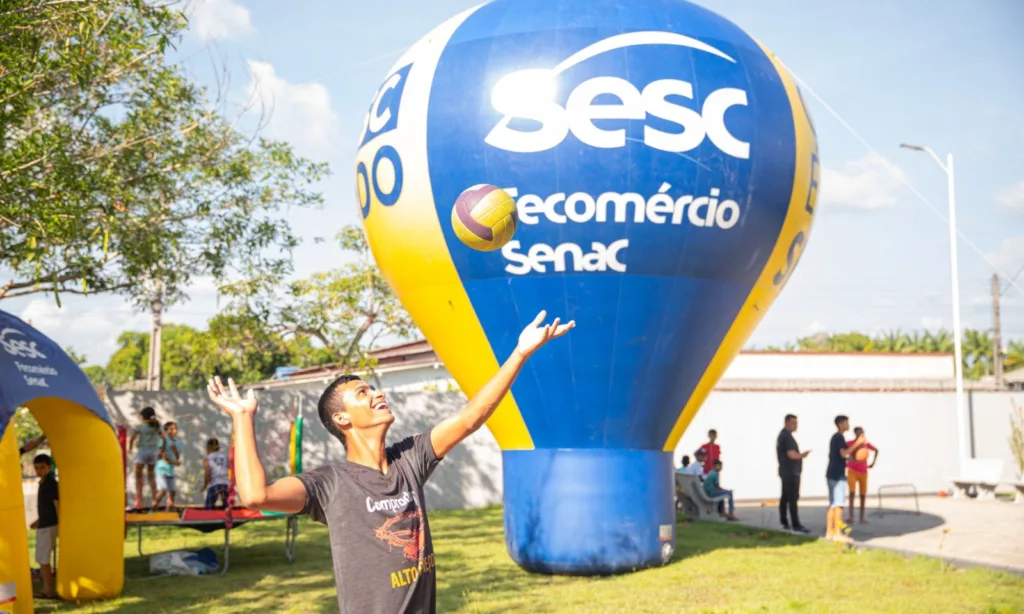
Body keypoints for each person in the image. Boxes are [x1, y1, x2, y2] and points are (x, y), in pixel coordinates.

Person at [206, 310, 573, 614]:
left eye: (373, 388)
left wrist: (520, 353)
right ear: (343, 420)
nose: (377, 393)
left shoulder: (409, 459)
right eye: (363, 393)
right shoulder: (330, 484)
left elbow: (468, 419)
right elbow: (255, 496)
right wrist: (243, 418)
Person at [825, 415, 861, 542]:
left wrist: (852, 457)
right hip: (837, 475)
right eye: (846, 423)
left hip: (831, 473)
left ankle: (829, 532)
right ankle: (838, 533)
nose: (848, 425)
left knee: (832, 504)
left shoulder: (836, 438)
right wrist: (857, 444)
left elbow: (843, 455)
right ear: (841, 424)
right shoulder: (839, 437)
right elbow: (843, 453)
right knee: (839, 504)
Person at [776, 414, 811, 533]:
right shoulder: (787, 437)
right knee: (792, 498)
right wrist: (802, 456)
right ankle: (796, 524)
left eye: (796, 423)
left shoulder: (783, 435)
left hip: (786, 471)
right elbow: (791, 454)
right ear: (786, 423)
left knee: (785, 497)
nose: (795, 425)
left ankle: (784, 521)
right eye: (793, 423)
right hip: (791, 472)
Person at [31, 454, 58, 600]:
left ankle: (48, 590)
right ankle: (47, 589)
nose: (39, 471)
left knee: (43, 558)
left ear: (49, 467)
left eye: (42, 467)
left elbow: (56, 504)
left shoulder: (51, 483)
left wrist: (61, 522)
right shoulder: (43, 483)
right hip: (44, 524)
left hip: (49, 526)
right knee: (42, 558)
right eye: (36, 468)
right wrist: (38, 521)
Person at [129, 407, 163, 508]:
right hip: (153, 452)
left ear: (143, 416)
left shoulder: (140, 426)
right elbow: (163, 438)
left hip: (142, 452)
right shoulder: (157, 426)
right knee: (151, 477)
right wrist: (162, 450)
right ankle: (154, 500)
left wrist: (130, 448)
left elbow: (132, 438)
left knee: (139, 477)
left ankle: (139, 502)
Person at [846, 427, 879, 525]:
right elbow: (845, 452)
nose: (861, 435)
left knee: (862, 495)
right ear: (855, 433)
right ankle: (851, 517)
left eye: (862, 433)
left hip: (863, 471)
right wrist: (850, 457)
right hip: (852, 470)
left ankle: (862, 517)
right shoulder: (850, 443)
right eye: (859, 433)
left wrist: (873, 463)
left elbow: (876, 450)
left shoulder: (866, 444)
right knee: (852, 494)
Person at [153, 421, 182, 511]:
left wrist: (176, 451)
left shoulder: (178, 442)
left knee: (172, 491)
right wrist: (175, 462)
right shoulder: (163, 440)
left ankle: (168, 511)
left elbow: (177, 456)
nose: (175, 431)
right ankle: (153, 508)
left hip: (170, 470)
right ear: (166, 430)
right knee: (162, 490)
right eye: (172, 429)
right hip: (162, 469)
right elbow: (163, 455)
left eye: (175, 429)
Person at [203, 437, 231, 509]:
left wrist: (205, 485)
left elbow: (207, 474)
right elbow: (230, 468)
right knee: (227, 506)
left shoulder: (208, 459)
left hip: (215, 484)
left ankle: (209, 517)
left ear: (208, 448)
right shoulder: (224, 457)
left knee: (209, 507)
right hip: (225, 483)